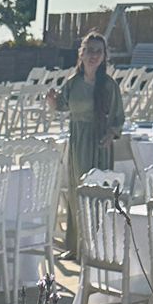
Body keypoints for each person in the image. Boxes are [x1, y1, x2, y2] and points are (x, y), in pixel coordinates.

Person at [48, 31, 125, 260]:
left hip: (99, 143)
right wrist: (51, 101)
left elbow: (118, 117)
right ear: (81, 53)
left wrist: (111, 134)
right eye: (90, 50)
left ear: (104, 56)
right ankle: (77, 247)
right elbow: (61, 105)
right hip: (78, 142)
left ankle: (97, 248)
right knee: (77, 193)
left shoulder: (109, 85)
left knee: (98, 194)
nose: (94, 55)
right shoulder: (73, 83)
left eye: (98, 51)